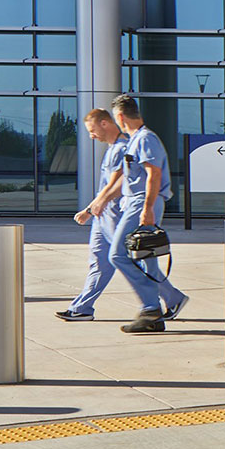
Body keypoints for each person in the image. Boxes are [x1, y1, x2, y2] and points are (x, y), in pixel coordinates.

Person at [110, 94, 187, 333]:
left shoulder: (145, 139)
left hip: (142, 202)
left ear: (120, 116)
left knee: (118, 254)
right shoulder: (135, 139)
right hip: (138, 202)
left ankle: (150, 307)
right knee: (145, 256)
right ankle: (170, 300)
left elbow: (153, 175)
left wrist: (147, 209)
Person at [55, 108, 128, 322]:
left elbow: (118, 185)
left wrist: (97, 205)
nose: (91, 135)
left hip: (115, 216)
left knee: (130, 261)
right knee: (98, 262)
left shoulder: (123, 148)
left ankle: (170, 298)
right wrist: (90, 210)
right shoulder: (112, 149)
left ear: (105, 123)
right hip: (101, 215)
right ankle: (82, 308)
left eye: (92, 130)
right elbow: (104, 187)